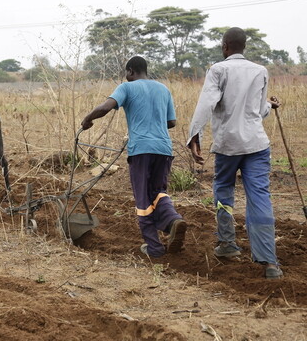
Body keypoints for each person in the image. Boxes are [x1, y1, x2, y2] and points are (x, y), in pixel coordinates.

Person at [187, 27, 282, 279]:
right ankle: (269, 261)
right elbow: (258, 110)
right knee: (260, 196)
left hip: (228, 145)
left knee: (223, 191)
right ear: (244, 46)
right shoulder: (260, 71)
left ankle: (228, 244)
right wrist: (271, 106)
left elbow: (207, 103)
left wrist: (194, 135)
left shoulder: (218, 70)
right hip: (257, 145)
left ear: (225, 46)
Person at [81, 56, 187, 258]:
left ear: (130, 71)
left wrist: (87, 120)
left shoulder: (126, 88)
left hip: (141, 150)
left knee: (143, 198)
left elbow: (105, 107)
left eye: (126, 73)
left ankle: (155, 249)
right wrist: (153, 124)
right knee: (159, 193)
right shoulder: (163, 89)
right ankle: (173, 220)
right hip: (164, 148)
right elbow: (171, 122)